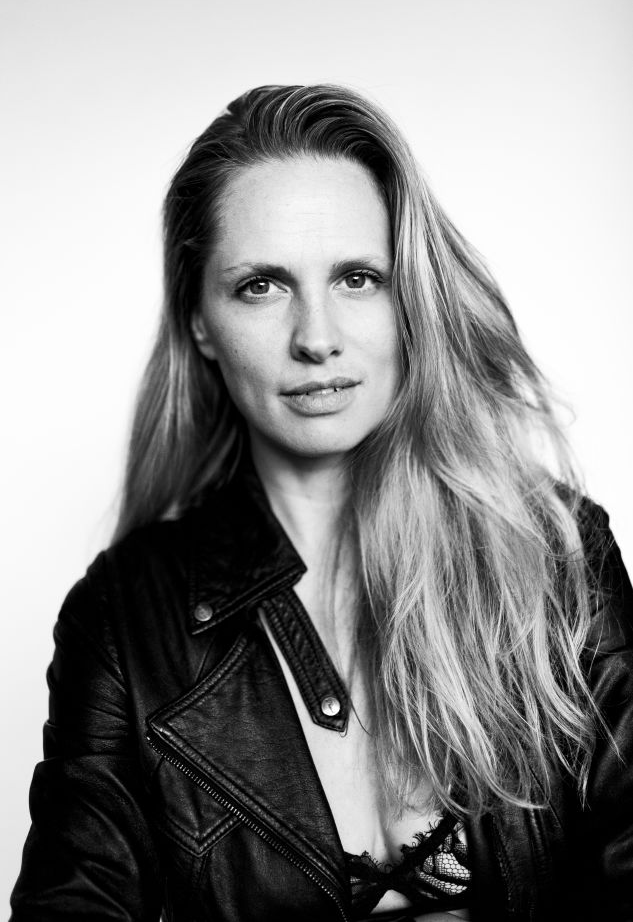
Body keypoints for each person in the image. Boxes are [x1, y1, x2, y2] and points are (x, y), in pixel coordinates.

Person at [10, 84, 633, 922]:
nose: (316, 337)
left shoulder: (554, 554)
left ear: (411, 297)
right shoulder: (125, 619)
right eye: (261, 286)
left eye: (356, 278)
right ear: (199, 321)